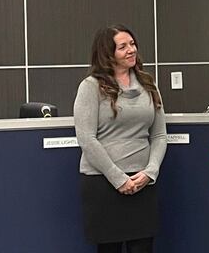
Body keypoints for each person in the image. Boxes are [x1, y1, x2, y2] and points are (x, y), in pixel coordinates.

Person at [74, 25, 167, 253]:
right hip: (104, 183)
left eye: (132, 44)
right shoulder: (90, 87)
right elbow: (86, 139)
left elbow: (159, 134)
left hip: (142, 182)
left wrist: (150, 172)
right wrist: (119, 179)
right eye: (123, 47)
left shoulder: (148, 84)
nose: (131, 50)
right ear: (107, 53)